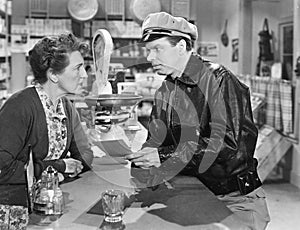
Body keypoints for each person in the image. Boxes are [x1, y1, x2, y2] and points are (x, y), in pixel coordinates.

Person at [127, 12, 270, 230]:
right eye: (148, 51)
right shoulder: (166, 89)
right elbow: (157, 141)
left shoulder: (220, 80)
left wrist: (163, 156)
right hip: (194, 193)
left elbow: (225, 145)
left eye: (157, 49)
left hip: (234, 200)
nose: (149, 58)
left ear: (182, 46)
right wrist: (143, 162)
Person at [0, 32, 93, 229]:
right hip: (13, 213)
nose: (84, 75)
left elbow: (84, 155)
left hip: (47, 208)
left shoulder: (65, 106)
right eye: (78, 68)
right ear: (53, 75)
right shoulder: (19, 106)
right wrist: (57, 167)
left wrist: (73, 164)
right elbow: (3, 168)